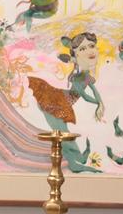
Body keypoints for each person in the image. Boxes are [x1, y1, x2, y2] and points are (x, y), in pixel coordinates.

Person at [27, 32, 105, 173]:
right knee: (63, 134)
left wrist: (100, 102)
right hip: (56, 101)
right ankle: (76, 163)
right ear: (75, 56)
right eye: (82, 49)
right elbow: (85, 95)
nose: (89, 51)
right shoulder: (78, 77)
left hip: (62, 101)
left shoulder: (86, 75)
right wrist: (98, 103)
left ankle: (78, 159)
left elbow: (94, 91)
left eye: (92, 46)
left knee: (63, 134)